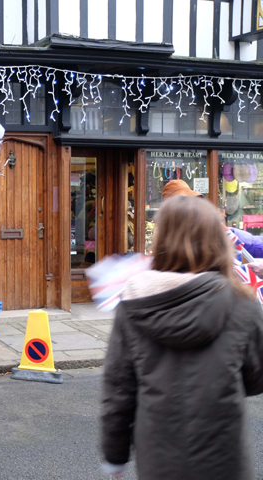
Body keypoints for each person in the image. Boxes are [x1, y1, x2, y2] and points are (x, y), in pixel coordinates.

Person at [100, 196, 263, 480]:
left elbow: (119, 391)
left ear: (161, 240)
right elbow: (256, 378)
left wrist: (115, 458)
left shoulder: (135, 304)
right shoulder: (242, 303)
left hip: (159, 459)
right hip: (223, 457)